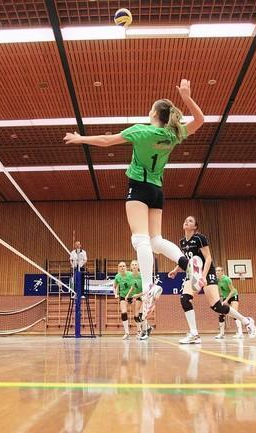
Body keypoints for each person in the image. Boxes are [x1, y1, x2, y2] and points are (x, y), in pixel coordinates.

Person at [65, 79, 204, 339]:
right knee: (156, 240)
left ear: (154, 113)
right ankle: (187, 263)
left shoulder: (141, 131)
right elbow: (200, 120)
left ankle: (150, 286)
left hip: (139, 187)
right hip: (157, 190)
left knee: (139, 238)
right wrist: (186, 97)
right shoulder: (174, 134)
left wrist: (79, 137)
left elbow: (107, 140)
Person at [168, 216, 256, 343]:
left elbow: (208, 258)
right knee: (185, 299)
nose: (187, 221)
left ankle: (246, 321)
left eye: (190, 221)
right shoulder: (182, 242)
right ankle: (194, 334)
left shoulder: (200, 238)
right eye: (186, 220)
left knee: (217, 307)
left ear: (195, 227)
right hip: (193, 273)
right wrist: (176, 270)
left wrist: (203, 276)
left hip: (207, 271)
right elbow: (187, 259)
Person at [215, 267, 243, 339]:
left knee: (234, 313)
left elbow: (233, 290)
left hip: (233, 295)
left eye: (218, 271)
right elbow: (220, 290)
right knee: (221, 313)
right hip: (225, 297)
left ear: (222, 272)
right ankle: (222, 333)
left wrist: (226, 300)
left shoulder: (227, 279)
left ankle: (240, 333)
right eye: (216, 271)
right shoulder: (217, 280)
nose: (217, 272)